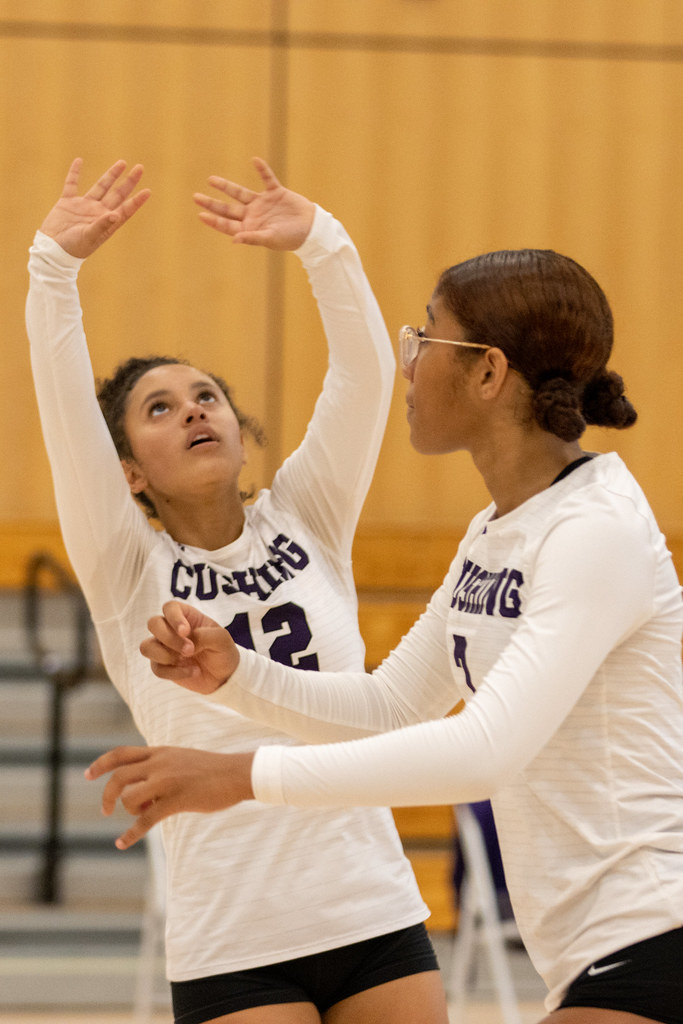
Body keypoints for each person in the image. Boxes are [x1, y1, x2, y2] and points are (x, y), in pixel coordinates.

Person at [90, 245, 683, 1024]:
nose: (408, 365)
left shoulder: (591, 530)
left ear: (485, 372)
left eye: (424, 340)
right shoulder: (494, 532)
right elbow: (391, 703)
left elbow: (483, 752)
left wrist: (240, 776)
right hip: (592, 954)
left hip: (654, 930)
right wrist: (238, 677)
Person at [26, 158, 451, 1024]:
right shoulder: (125, 567)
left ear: (237, 429)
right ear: (131, 476)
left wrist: (324, 246)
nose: (193, 411)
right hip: (237, 937)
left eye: (206, 396)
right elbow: (66, 415)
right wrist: (51, 271)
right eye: (159, 409)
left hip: (370, 908)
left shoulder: (307, 518)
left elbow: (365, 381)